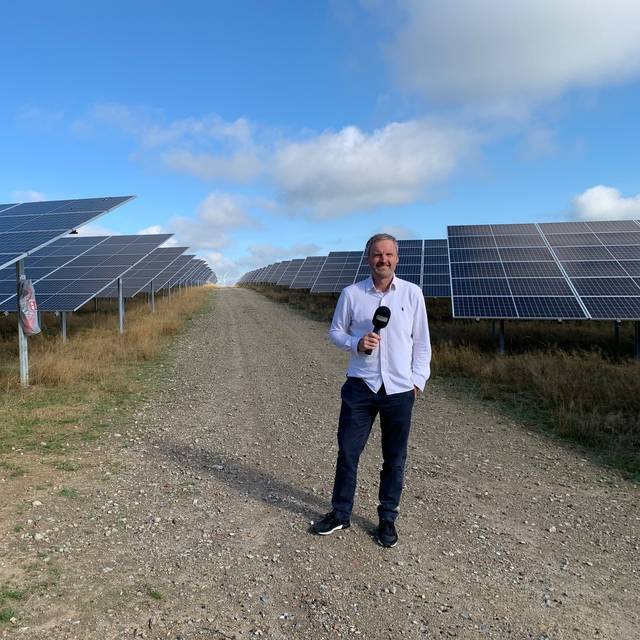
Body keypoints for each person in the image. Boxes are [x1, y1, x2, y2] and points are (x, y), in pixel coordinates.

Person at [312, 233, 431, 547]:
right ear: (368, 258)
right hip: (360, 386)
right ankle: (341, 513)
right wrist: (356, 342)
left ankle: (387, 518)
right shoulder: (352, 294)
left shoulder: (412, 294)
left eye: (389, 254)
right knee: (348, 452)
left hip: (399, 390)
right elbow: (335, 332)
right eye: (378, 254)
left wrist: (417, 381)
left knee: (394, 458)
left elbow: (422, 343)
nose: (383, 260)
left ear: (397, 258)